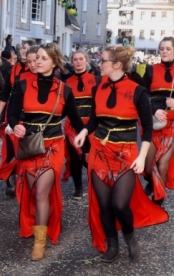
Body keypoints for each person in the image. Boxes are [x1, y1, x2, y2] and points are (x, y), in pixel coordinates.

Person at [74, 45, 168, 263]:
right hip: (99, 153)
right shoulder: (98, 88)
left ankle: (130, 238)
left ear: (116, 64)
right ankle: (112, 244)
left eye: (103, 60)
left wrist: (142, 157)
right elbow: (95, 120)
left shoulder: (138, 91)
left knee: (119, 204)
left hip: (125, 154)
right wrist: (84, 131)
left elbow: (147, 127)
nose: (99, 64)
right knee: (104, 205)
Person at [8, 43, 89, 261]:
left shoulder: (65, 90)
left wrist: (88, 149)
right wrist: (16, 125)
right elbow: (13, 115)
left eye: (43, 58)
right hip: (30, 145)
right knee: (34, 193)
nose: (38, 61)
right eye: (37, 58)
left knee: (42, 192)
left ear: (54, 62)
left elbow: (76, 121)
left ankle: (40, 242)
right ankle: (39, 226)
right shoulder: (22, 84)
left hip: (53, 146)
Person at [0, 41, 35, 196]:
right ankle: (10, 180)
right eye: (23, 48)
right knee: (10, 148)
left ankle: (25, 179)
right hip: (12, 111)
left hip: (30, 114)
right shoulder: (13, 69)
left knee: (27, 148)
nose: (24, 51)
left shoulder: (38, 71)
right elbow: (5, 93)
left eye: (27, 49)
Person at [63, 50, 99, 199]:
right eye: (75, 59)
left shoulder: (97, 79)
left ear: (86, 60)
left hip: (91, 126)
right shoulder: (66, 82)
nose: (78, 62)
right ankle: (78, 188)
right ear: (72, 62)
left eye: (81, 59)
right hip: (72, 127)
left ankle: (95, 185)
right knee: (74, 158)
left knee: (91, 158)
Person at [143, 37, 174, 205]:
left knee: (163, 165)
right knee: (148, 167)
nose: (164, 51)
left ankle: (158, 201)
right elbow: (142, 95)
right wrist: (155, 109)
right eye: (162, 48)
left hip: (172, 125)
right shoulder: (150, 70)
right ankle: (150, 180)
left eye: (168, 48)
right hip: (153, 122)